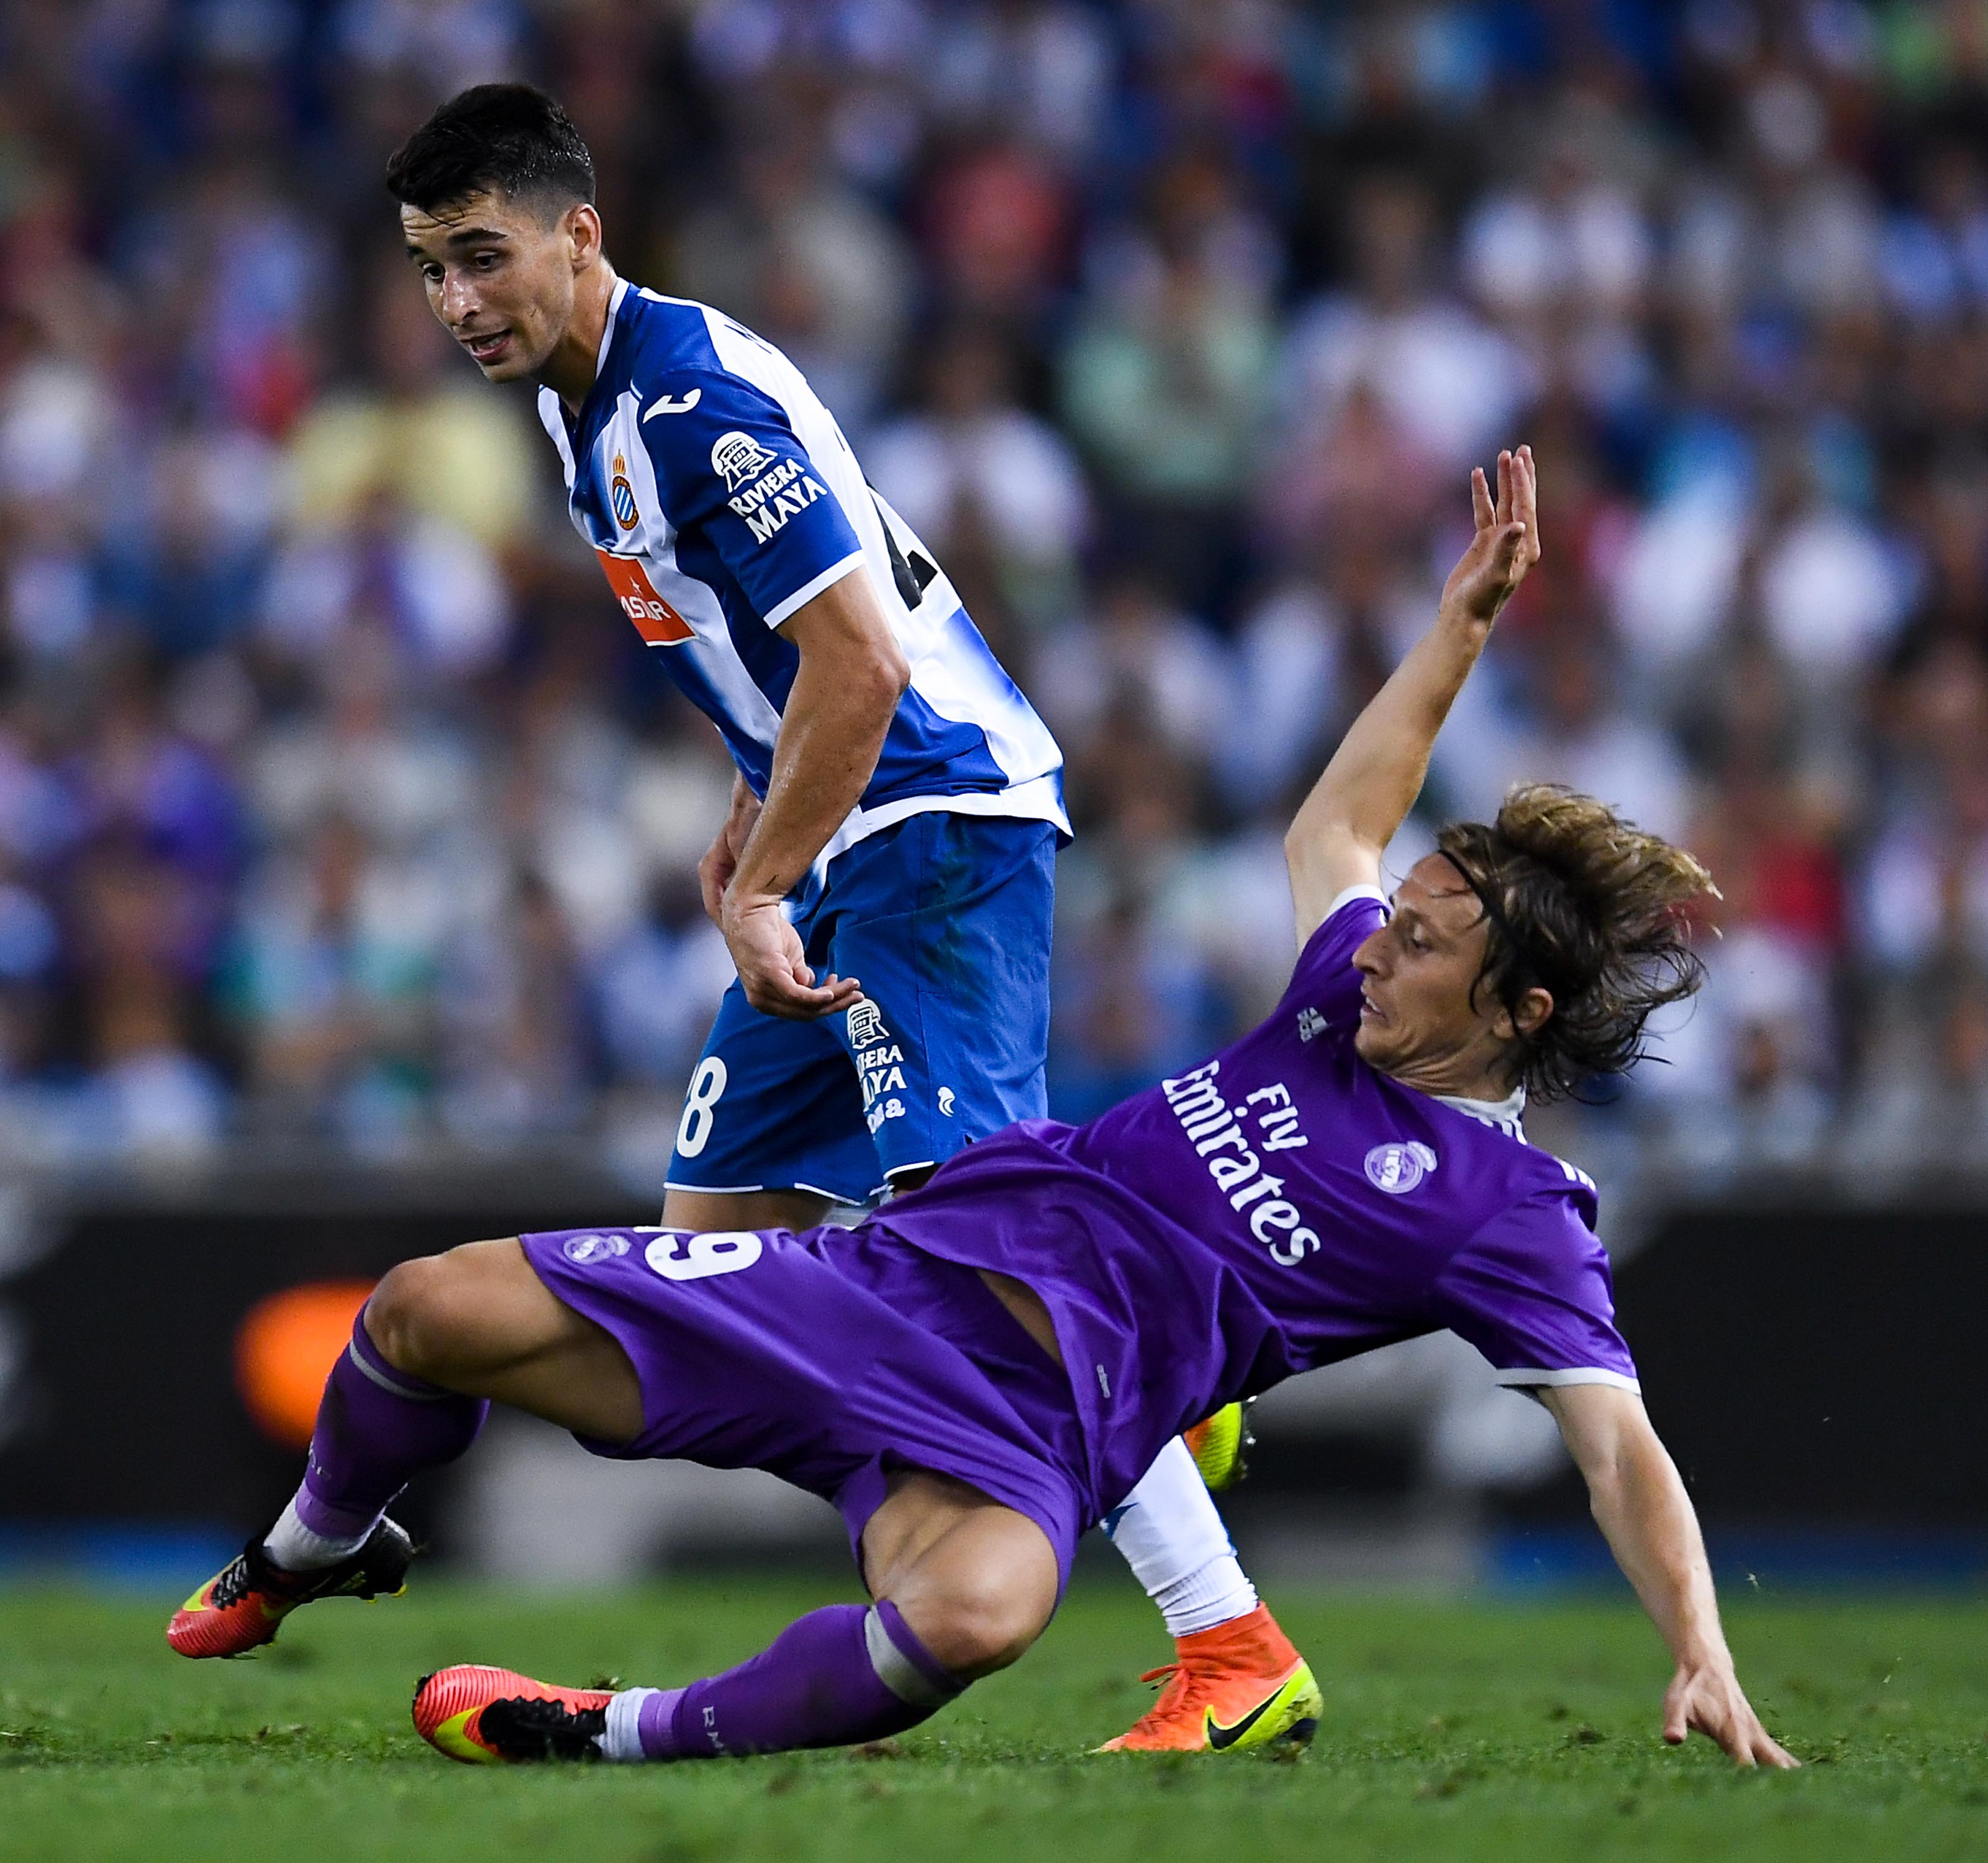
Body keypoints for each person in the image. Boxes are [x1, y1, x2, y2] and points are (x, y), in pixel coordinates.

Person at [170, 438, 1797, 1771]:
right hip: (877, 1282)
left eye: (1428, 947)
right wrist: (1457, 628)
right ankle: (317, 1540)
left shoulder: (1507, 1218)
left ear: (1512, 1014)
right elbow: (1342, 826)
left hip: (1031, 1429)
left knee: (975, 1622)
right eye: (1403, 922)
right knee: (420, 1308)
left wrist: (1702, 1654)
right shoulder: (1334, 1001)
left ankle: (599, 1735)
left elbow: (1619, 1453)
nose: (1384, 949)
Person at [164, 81, 1309, 1743]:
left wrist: (772, 863)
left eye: (482, 258)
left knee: (989, 1259)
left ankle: (1226, 1635)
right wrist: (753, 810)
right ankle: (1036, 1446)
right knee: (720, 1246)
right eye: (426, 271)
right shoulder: (576, 409)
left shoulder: (690, 408)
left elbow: (856, 656)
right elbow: (773, 659)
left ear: (579, 231)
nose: (456, 303)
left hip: (931, 826)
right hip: (842, 828)